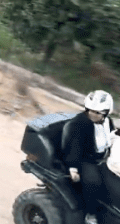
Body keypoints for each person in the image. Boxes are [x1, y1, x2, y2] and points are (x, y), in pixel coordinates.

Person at [63, 90, 118, 224]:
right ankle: (91, 214)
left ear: (106, 112)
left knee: (114, 183)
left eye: (97, 112)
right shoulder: (80, 123)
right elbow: (74, 147)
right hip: (86, 159)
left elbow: (110, 137)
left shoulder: (108, 122)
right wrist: (73, 168)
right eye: (90, 110)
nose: (92, 114)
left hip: (102, 158)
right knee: (94, 182)